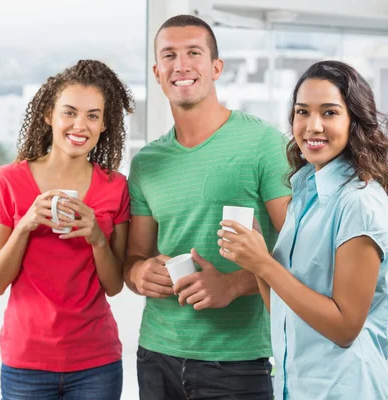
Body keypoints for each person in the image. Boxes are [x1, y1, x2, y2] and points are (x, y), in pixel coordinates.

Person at [124, 14, 291, 400]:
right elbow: (133, 257)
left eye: (193, 53)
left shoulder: (264, 144)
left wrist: (232, 285)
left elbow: (299, 253)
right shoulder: (146, 162)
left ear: (216, 67)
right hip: (155, 356)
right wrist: (139, 272)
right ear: (157, 71)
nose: (180, 65)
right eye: (169, 55)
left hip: (236, 361)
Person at [217, 60, 388, 399]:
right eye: (302, 112)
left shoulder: (358, 203)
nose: (312, 126)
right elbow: (286, 314)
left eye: (329, 113)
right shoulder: (305, 191)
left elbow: (345, 327)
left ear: (354, 122)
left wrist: (265, 264)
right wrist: (257, 259)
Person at [0, 59, 134, 399]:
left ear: (104, 125)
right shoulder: (6, 182)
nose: (80, 125)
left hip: (97, 363)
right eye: (70, 112)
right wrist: (25, 226)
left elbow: (114, 285)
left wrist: (97, 238)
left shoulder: (116, 188)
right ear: (49, 114)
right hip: (26, 364)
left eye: (93, 115)